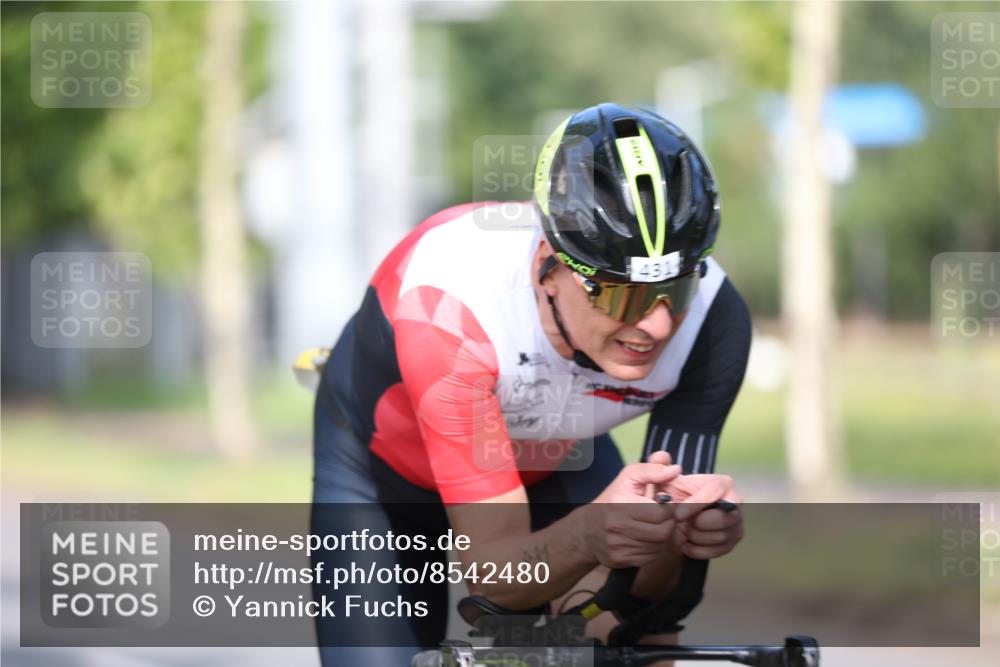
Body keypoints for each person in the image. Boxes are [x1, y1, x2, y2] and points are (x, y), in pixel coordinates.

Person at [309, 102, 752, 666]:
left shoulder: (716, 321)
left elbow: (657, 606)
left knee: (620, 642)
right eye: (624, 296)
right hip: (382, 477)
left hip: (550, 459)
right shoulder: (453, 304)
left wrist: (685, 533)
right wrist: (591, 537)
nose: (658, 324)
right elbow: (495, 578)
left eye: (677, 291)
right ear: (550, 265)